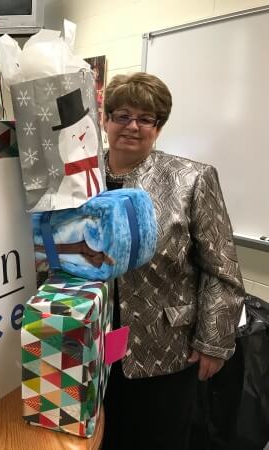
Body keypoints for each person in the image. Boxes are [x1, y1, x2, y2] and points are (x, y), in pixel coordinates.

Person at [100, 72, 245, 450]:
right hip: (92, 341)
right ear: (105, 120)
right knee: (99, 437)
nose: (132, 126)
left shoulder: (191, 178)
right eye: (122, 115)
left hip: (163, 346)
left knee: (157, 438)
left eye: (145, 119)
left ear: (158, 127)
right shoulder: (80, 177)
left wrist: (214, 342)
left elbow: (222, 268)